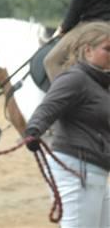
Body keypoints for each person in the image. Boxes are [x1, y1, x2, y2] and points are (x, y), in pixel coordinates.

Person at [24, 21, 110, 228]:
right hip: (76, 171)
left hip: (96, 171)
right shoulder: (74, 78)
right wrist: (34, 130)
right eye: (107, 49)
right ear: (87, 50)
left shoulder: (101, 83)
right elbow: (46, 109)